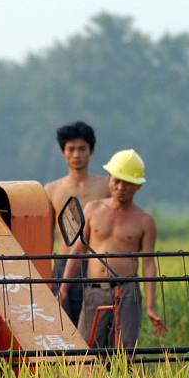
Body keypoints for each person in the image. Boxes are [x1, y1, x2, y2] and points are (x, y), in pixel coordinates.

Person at [58, 149, 166, 349]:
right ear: (108, 179)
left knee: (124, 348)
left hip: (127, 292)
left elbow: (149, 264)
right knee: (88, 347)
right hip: (95, 290)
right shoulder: (92, 209)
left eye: (127, 183)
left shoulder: (145, 221)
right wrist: (64, 287)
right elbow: (78, 251)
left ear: (137, 186)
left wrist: (150, 306)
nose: (120, 187)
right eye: (116, 180)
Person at [44, 121, 106, 324]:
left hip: (95, 263)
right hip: (63, 262)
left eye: (82, 149)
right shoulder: (51, 190)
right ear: (63, 152)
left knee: (94, 321)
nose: (77, 155)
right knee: (64, 322)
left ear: (91, 150)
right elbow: (46, 235)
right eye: (71, 149)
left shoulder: (106, 187)